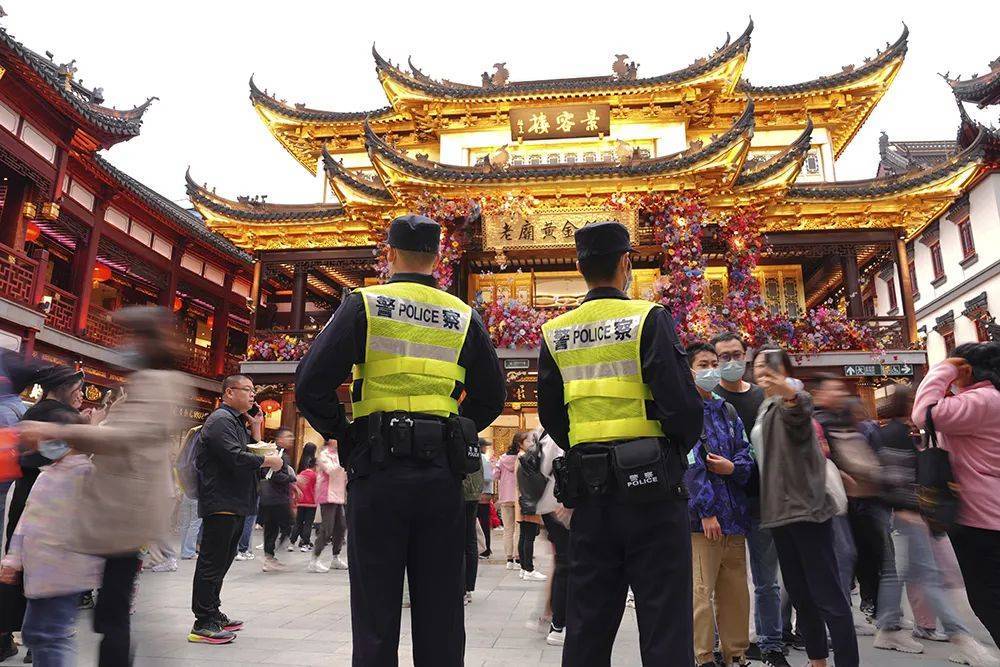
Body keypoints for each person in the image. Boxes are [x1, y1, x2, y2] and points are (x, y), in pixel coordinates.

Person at [295, 213, 505, 666]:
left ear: (388, 254)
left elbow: (310, 384)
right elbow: (492, 395)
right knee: (442, 610)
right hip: (440, 475)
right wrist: (454, 431)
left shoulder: (364, 305)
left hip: (377, 471)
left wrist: (345, 434)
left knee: (375, 609)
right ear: (438, 256)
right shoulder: (462, 315)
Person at [537, 221, 704, 666]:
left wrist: (588, 449)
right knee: (665, 623)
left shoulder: (556, 331)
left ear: (580, 267)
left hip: (591, 492)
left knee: (587, 625)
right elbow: (683, 407)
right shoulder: (649, 318)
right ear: (626, 263)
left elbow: (552, 414)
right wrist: (669, 451)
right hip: (652, 488)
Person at [17, 307, 192, 665]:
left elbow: (127, 437)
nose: (126, 346)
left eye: (132, 337)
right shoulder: (146, 382)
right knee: (111, 606)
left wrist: (58, 431)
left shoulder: (161, 383)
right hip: (116, 509)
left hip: (125, 511)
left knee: (112, 610)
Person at [873, 385, 997, 664]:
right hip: (910, 514)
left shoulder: (900, 432)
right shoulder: (897, 434)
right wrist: (909, 508)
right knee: (928, 575)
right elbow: (894, 477)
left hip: (910, 513)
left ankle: (889, 627)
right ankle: (960, 637)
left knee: (902, 573)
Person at [751, 346, 858, 667]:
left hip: (806, 510)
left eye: (771, 364)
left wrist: (788, 392)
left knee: (828, 594)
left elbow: (798, 411)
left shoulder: (792, 401)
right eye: (758, 364)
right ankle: (817, 661)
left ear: (786, 370)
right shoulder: (764, 408)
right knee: (800, 594)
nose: (763, 369)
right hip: (778, 513)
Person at [913, 343, 1000, 648]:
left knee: (988, 597)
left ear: (967, 369)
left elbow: (923, 413)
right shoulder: (990, 399)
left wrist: (943, 369)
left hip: (982, 516)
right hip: (988, 512)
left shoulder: (980, 401)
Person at [185, 374, 282, 644]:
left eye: (253, 390)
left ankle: (213, 611)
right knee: (212, 562)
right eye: (247, 390)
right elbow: (234, 457)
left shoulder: (235, 421)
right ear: (229, 392)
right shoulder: (220, 420)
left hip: (235, 501)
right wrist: (268, 462)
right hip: (221, 501)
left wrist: (256, 428)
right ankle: (203, 622)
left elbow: (248, 451)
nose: (253, 395)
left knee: (222, 561)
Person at [711, 332, 788, 667]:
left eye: (736, 354)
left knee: (766, 581)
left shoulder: (762, 396)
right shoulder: (710, 399)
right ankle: (722, 645)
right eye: (723, 357)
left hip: (760, 500)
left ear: (746, 355)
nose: (731, 362)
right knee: (720, 582)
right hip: (723, 505)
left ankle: (771, 645)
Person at [0, 363, 84, 663]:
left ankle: (7, 637)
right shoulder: (61, 418)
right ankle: (38, 643)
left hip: (24, 493)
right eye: (79, 389)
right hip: (51, 499)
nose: (81, 395)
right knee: (42, 570)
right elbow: (57, 455)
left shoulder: (33, 412)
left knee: (17, 567)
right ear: (65, 388)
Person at [684, 342, 753, 667]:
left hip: (735, 517)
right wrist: (706, 510)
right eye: (704, 364)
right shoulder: (686, 411)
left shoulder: (728, 410)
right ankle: (703, 656)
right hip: (704, 522)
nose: (712, 369)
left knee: (736, 591)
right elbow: (691, 466)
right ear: (690, 370)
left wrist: (733, 468)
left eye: (714, 363)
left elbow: (745, 452)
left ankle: (736, 654)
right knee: (701, 591)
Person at [0, 445, 101, 666]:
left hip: (64, 575)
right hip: (38, 573)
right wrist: (13, 558)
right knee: (35, 633)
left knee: (53, 637)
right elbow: (27, 519)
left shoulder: (85, 474)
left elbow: (93, 526)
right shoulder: (46, 475)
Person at [812, 375, 885, 625]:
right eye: (834, 390)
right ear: (820, 394)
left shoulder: (843, 420)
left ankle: (858, 608)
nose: (840, 394)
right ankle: (837, 616)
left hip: (857, 500)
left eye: (841, 390)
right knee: (842, 557)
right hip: (836, 501)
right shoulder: (819, 422)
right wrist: (839, 471)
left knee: (857, 556)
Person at [535, 428, 569, 647]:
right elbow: (553, 464)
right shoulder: (558, 432)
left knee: (562, 562)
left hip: (551, 502)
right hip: (562, 503)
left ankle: (554, 618)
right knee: (568, 564)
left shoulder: (544, 431)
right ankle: (559, 624)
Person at [259, 427, 297, 571]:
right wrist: (293, 478)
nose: (291, 439)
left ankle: (269, 558)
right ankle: (271, 555)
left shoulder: (275, 453)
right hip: (277, 497)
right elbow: (274, 475)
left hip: (270, 497)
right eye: (288, 436)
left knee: (272, 528)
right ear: (279, 439)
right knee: (288, 524)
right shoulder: (278, 454)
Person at [308, 439, 348, 573]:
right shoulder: (324, 454)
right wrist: (346, 468)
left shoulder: (339, 453)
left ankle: (335, 557)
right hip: (327, 495)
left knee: (341, 527)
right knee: (327, 528)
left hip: (338, 495)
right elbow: (332, 470)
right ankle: (314, 560)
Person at [514, 431, 546, 582]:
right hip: (529, 500)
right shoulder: (525, 458)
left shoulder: (521, 458)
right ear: (520, 444)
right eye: (528, 441)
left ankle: (523, 568)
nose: (532, 444)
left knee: (524, 535)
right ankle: (529, 569)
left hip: (523, 500)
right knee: (529, 537)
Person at [462, 440, 486, 603]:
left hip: (461, 494)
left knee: (460, 542)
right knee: (470, 540)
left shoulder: (457, 437)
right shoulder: (473, 444)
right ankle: (468, 587)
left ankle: (462, 588)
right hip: (473, 495)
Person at [177, 426, 204, 561]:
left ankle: (185, 550)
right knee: (194, 523)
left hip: (186, 490)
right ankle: (188, 551)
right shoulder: (198, 451)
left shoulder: (185, 453)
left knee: (186, 523)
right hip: (196, 492)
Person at [494, 440, 521, 570]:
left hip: (505, 497)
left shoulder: (502, 459)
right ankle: (518, 558)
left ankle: (509, 559)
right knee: (518, 529)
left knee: (508, 529)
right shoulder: (521, 459)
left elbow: (495, 475)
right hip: (519, 496)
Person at [291, 443, 318, 552]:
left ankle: (292, 542)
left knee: (298, 522)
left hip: (301, 500)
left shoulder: (302, 470)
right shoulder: (314, 475)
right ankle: (305, 542)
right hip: (311, 502)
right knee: (308, 523)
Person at [477, 439, 494, 559]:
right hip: (484, 493)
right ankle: (485, 548)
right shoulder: (483, 459)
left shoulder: (478, 458)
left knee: (481, 522)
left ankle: (484, 548)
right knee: (484, 522)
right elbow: (488, 477)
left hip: (479, 493)